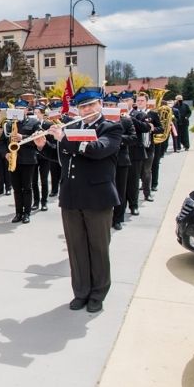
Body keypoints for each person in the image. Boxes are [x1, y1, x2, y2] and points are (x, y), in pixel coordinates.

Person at [34, 87, 122, 313]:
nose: (88, 110)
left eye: (91, 105)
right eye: (83, 107)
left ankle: (98, 293)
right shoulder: (72, 127)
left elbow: (96, 150)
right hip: (71, 197)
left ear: (100, 105)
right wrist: (45, 147)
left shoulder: (110, 128)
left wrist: (64, 139)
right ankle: (81, 292)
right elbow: (62, 158)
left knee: (98, 248)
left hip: (97, 198)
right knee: (77, 248)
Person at [4, 99, 40, 223]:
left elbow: (38, 138)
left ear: (26, 110)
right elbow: (3, 142)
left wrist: (22, 137)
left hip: (28, 160)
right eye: (17, 108)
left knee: (27, 187)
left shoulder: (33, 122)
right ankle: (18, 212)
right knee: (16, 188)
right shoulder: (9, 124)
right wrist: (6, 153)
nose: (19, 110)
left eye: (21, 108)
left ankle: (27, 213)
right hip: (14, 160)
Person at [105, 95, 137, 231]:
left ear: (117, 106)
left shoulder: (125, 121)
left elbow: (134, 138)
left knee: (120, 191)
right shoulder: (101, 122)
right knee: (105, 190)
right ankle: (106, 218)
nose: (109, 107)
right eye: (107, 105)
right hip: (104, 160)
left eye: (112, 105)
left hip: (121, 160)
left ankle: (118, 218)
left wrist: (117, 138)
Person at [135, 92, 162, 202]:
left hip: (148, 146)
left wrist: (152, 129)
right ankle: (133, 198)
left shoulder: (152, 114)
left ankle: (147, 194)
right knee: (135, 172)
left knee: (147, 171)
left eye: (142, 100)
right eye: (138, 100)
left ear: (146, 102)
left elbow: (161, 128)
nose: (140, 102)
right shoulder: (133, 114)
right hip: (136, 147)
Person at [31, 105, 51, 212]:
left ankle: (44, 202)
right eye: (34, 112)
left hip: (45, 156)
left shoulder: (48, 124)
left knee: (44, 180)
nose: (35, 114)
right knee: (33, 181)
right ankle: (36, 202)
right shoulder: (31, 124)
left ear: (42, 113)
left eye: (37, 112)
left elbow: (50, 140)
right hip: (34, 155)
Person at [47, 100, 63, 198]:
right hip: (53, 148)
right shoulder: (48, 122)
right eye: (53, 109)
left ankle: (63, 190)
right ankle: (54, 189)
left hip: (64, 148)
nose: (55, 111)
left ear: (61, 109)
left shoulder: (68, 119)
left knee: (64, 172)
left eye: (57, 109)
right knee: (53, 171)